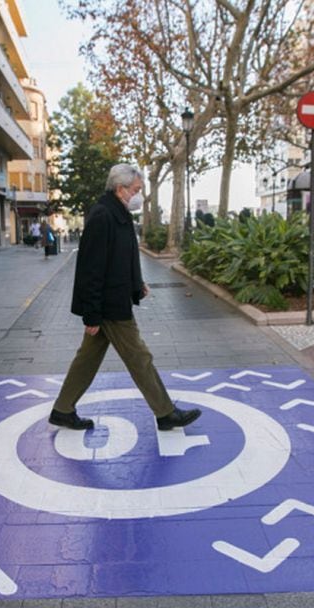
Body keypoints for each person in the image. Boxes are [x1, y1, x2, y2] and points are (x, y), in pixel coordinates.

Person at [48, 163, 200, 432]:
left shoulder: (117, 213)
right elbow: (92, 269)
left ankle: (62, 410)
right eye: (137, 190)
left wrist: (136, 284)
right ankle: (165, 413)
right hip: (109, 306)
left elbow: (122, 257)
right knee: (140, 357)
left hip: (114, 298)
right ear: (120, 189)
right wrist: (92, 314)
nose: (140, 195)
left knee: (87, 359)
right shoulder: (103, 216)